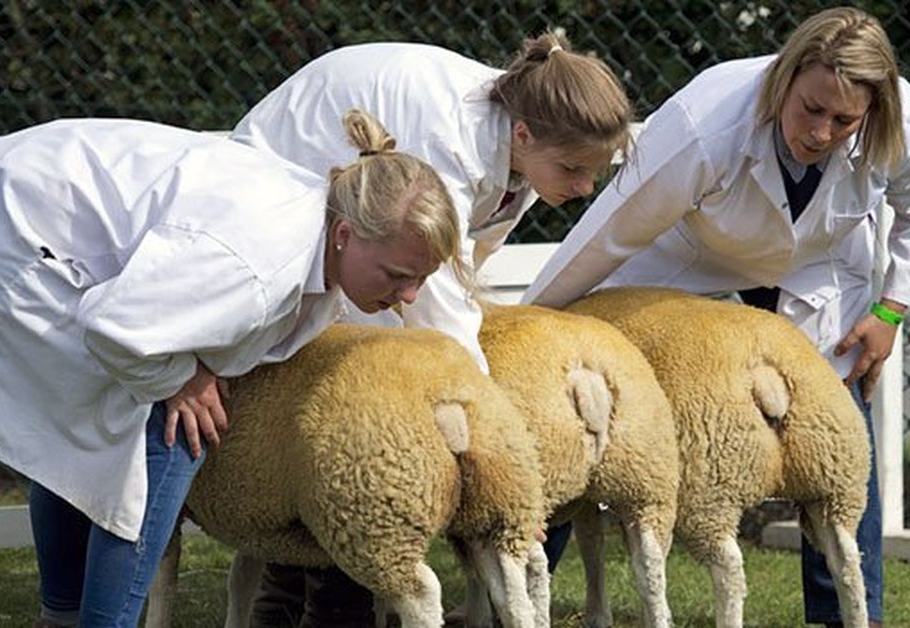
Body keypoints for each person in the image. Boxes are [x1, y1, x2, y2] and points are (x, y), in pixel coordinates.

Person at [0, 110, 462, 628]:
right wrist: (183, 377)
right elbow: (116, 326)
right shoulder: (259, 263)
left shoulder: (315, 223)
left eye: (420, 280)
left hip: (22, 192)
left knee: (90, 434)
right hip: (14, 229)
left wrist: (190, 369)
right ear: (344, 233)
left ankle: (63, 615)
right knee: (171, 436)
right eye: (396, 275)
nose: (408, 296)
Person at [523, 7, 910, 628]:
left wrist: (891, 309)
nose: (822, 131)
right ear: (785, 79)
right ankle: (517, 585)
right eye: (811, 108)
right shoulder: (706, 124)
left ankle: (845, 617)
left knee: (835, 422)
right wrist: (527, 332)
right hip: (685, 249)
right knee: (581, 380)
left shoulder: (904, 119)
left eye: (844, 120)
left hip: (819, 263)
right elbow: (605, 237)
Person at [230, 32, 635, 626]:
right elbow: (439, 304)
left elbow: (465, 256)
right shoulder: (448, 142)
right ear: (524, 135)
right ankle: (309, 600)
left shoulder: (518, 154)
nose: (583, 188)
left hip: (357, 233)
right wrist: (501, 448)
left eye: (594, 172)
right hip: (285, 199)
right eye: (573, 169)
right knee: (354, 428)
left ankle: (303, 596)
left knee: (366, 416)